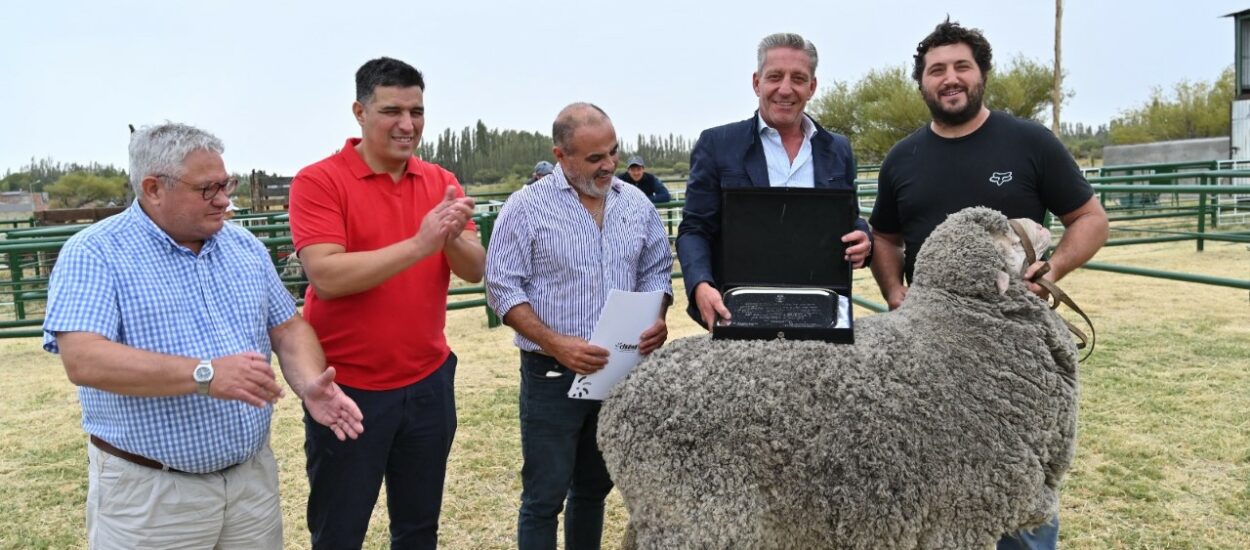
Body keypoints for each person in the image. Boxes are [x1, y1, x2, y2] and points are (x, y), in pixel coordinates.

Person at [42, 122, 363, 549]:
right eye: (207, 189)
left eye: (225, 184)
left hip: (249, 483)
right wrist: (204, 374)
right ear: (154, 188)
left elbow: (286, 327)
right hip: (152, 496)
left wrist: (309, 384)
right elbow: (83, 358)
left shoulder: (243, 246)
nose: (225, 200)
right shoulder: (95, 252)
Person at [868, 19, 1109, 550]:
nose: (949, 78)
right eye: (937, 70)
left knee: (1017, 471)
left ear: (981, 75)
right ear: (922, 83)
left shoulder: (1029, 142)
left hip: (1012, 347)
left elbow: (1091, 219)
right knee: (930, 471)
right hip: (928, 347)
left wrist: (1055, 269)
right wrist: (894, 295)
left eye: (961, 67)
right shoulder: (902, 159)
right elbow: (883, 236)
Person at [288, 57, 486, 549]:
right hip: (348, 389)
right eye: (392, 110)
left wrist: (448, 237)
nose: (407, 124)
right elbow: (327, 276)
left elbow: (476, 268)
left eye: (417, 111)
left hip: (427, 382)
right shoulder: (320, 181)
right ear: (359, 111)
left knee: (419, 529)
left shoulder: (441, 181)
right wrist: (421, 244)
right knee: (340, 529)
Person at [485, 102, 673, 550]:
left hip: (620, 372)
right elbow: (503, 288)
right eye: (594, 158)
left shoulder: (636, 204)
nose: (609, 165)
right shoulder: (526, 207)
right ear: (561, 155)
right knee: (543, 497)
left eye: (613, 152)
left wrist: (657, 316)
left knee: (593, 490)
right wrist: (555, 344)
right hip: (552, 374)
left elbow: (657, 269)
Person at [676, 32, 873, 329]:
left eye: (798, 78)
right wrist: (700, 285)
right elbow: (694, 228)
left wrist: (863, 237)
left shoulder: (838, 149)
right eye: (775, 77)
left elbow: (849, 219)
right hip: (741, 311)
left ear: (812, 86)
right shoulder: (717, 144)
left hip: (820, 311)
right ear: (757, 83)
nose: (785, 89)